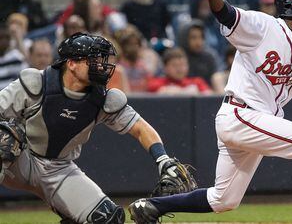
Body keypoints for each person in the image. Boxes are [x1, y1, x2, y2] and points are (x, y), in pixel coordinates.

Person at [129, 0, 292, 224]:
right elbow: (227, 14)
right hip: (241, 114)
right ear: (290, 3)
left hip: (254, 120)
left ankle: (150, 207)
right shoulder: (264, 26)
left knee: (224, 200)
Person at [0, 33, 195, 223]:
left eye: (101, 60)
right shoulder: (36, 83)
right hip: (21, 160)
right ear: (71, 64)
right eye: (92, 60)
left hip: (59, 169)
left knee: (108, 219)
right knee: (4, 136)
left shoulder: (104, 99)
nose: (101, 65)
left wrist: (163, 159)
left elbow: (140, 128)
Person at [147, 48, 212, 95]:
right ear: (165, 68)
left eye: (182, 64)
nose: (179, 69)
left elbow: (208, 96)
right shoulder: (155, 83)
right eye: (174, 65)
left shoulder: (197, 82)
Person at [178, 20, 218, 85]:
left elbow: (216, 79)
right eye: (193, 38)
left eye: (201, 37)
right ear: (184, 38)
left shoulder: (209, 57)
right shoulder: (177, 57)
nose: (198, 42)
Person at [0, 25, 28, 89]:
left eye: (7, 38)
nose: (4, 41)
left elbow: (24, 77)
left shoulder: (16, 57)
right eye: (1, 38)